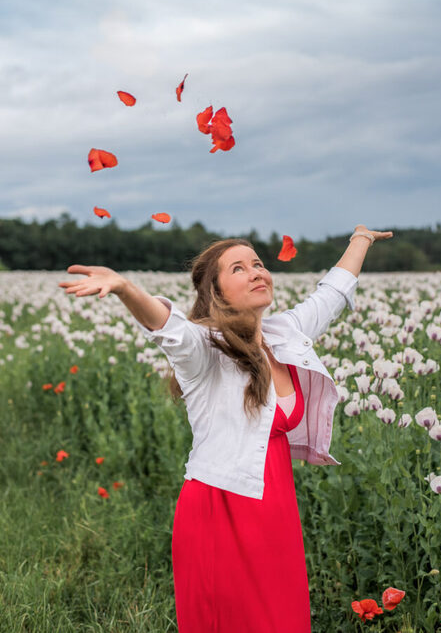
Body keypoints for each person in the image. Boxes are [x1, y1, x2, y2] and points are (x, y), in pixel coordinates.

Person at [58, 223, 393, 633]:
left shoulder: (285, 334)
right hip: (221, 508)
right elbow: (170, 329)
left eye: (258, 264)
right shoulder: (205, 348)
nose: (256, 272)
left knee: (283, 620)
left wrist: (361, 238)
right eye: (239, 268)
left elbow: (331, 295)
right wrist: (126, 289)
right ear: (216, 291)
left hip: (275, 507)